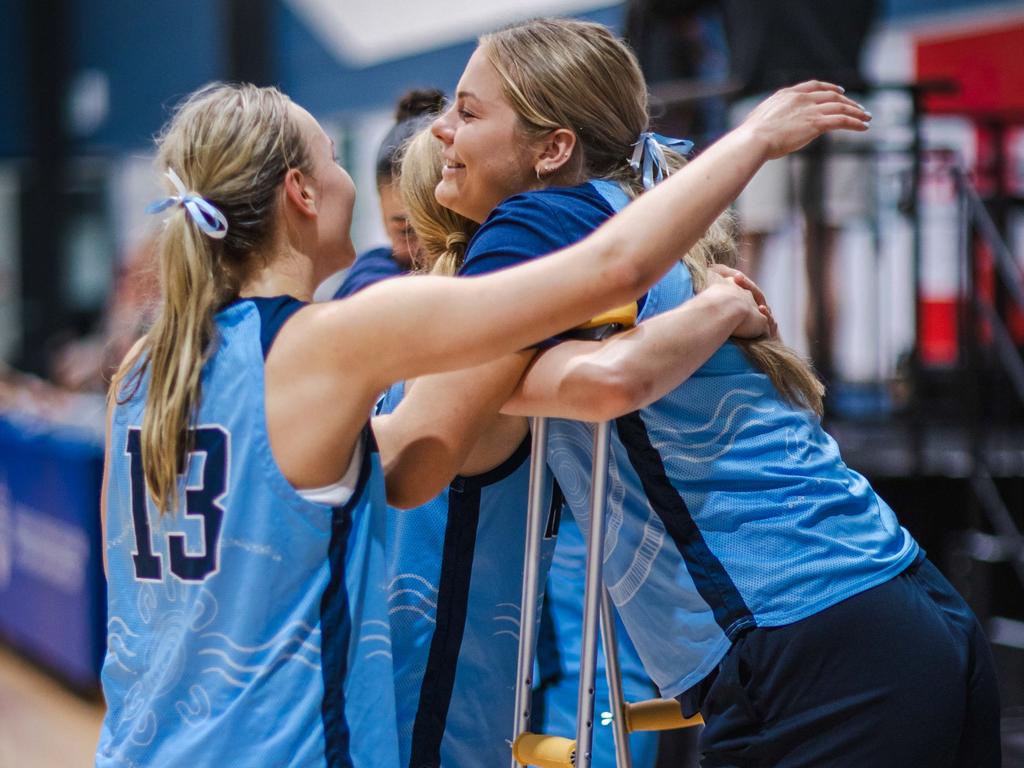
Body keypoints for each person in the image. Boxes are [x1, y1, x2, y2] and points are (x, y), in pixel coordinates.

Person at [96, 69, 829, 768]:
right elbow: (613, 268)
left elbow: (370, 469)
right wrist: (755, 139)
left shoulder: (145, 370)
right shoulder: (326, 341)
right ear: (301, 192)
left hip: (138, 743)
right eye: (333, 157)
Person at [415, 17, 996, 767]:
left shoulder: (539, 217)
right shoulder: (622, 219)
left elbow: (558, 395)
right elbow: (593, 378)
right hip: (892, 606)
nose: (440, 131)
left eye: (467, 111)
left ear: (552, 149)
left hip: (809, 640)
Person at [333, 89, 445, 300]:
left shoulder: (494, 254)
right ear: (383, 217)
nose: (428, 249)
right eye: (406, 231)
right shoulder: (369, 279)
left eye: (442, 221)